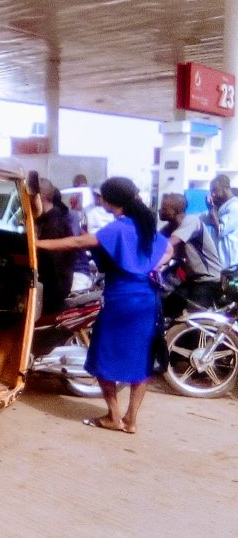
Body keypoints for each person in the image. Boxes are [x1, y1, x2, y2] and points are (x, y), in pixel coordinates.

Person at [36, 177, 171, 434]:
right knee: (142, 359)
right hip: (148, 300)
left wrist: (35, 243)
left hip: (121, 299)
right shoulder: (146, 227)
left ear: (109, 200)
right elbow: (169, 250)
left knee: (101, 356)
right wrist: (152, 266)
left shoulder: (118, 228)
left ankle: (113, 416)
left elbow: (77, 242)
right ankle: (131, 420)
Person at [158, 193, 222, 318]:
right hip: (192, 279)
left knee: (193, 318)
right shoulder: (170, 227)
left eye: (164, 208)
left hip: (208, 280)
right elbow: (154, 244)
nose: (160, 211)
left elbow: (168, 244)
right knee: (167, 305)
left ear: (175, 210)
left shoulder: (191, 221)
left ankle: (195, 337)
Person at [35, 178, 75, 313]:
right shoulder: (45, 220)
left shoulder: (54, 223)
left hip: (52, 291)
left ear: (42, 197)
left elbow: (53, 264)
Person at [203, 174, 238, 268]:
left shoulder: (234, 206)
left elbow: (221, 230)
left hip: (231, 265)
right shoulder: (221, 207)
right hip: (221, 265)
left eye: (215, 190)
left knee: (231, 283)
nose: (213, 194)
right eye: (211, 191)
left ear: (225, 188)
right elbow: (203, 218)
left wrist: (212, 210)